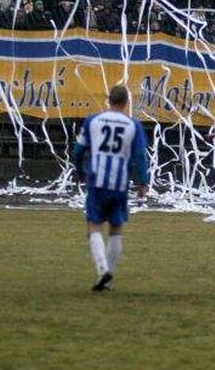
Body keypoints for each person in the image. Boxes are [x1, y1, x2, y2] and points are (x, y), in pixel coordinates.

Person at [72, 85, 149, 291]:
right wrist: (143, 181)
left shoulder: (92, 121)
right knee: (116, 228)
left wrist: (79, 170)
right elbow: (140, 155)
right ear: (126, 103)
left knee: (93, 225)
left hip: (97, 181)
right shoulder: (133, 125)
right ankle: (108, 277)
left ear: (109, 100)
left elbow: (78, 150)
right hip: (119, 184)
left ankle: (102, 269)